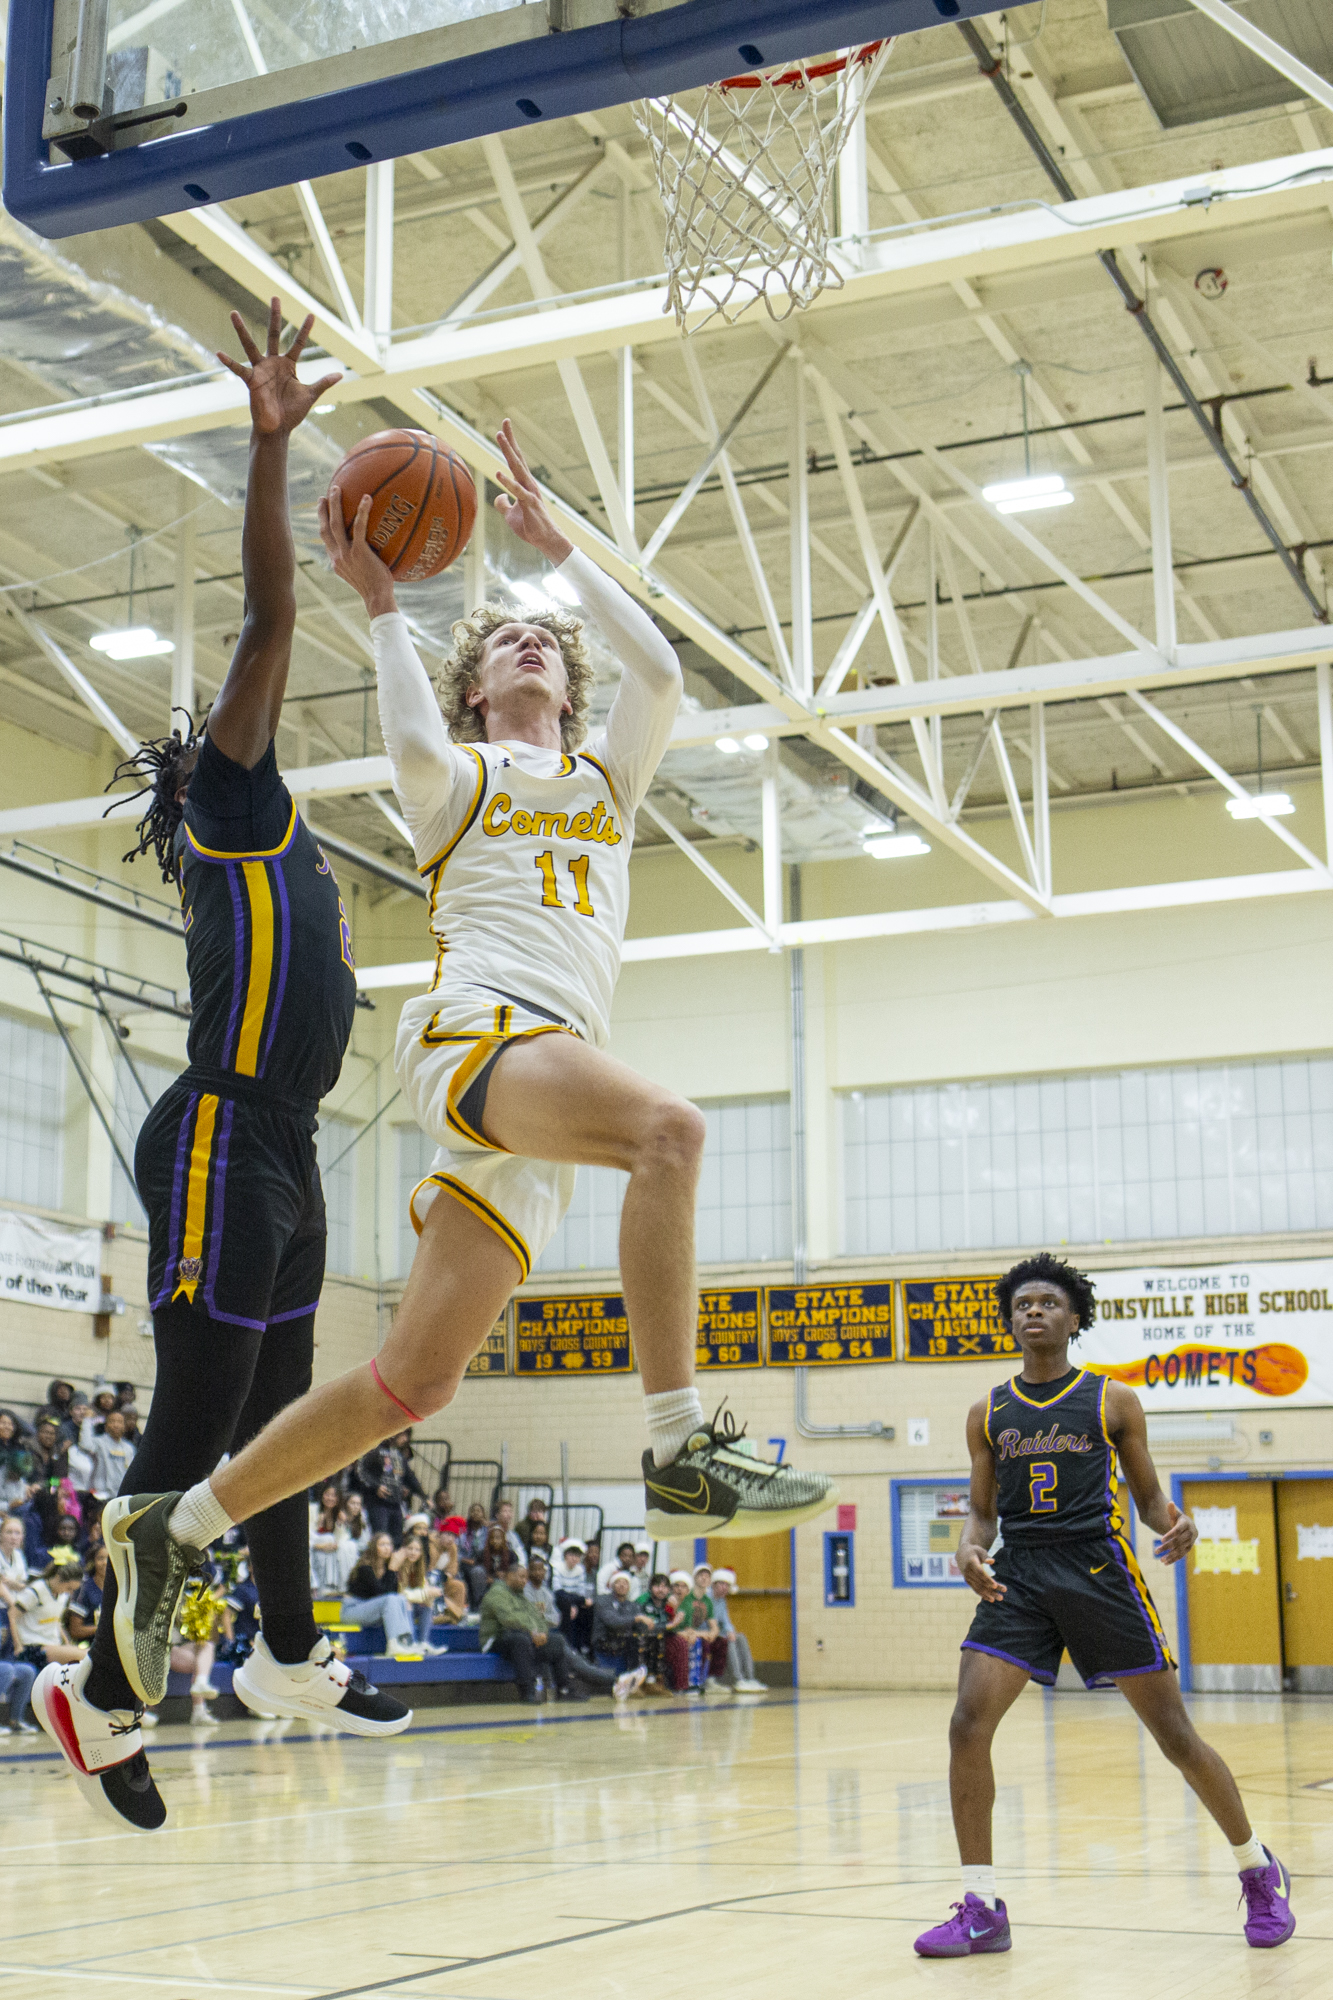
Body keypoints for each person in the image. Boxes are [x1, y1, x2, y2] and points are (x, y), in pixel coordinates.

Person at [98, 423, 837, 1722]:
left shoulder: (607, 781)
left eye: (544, 637)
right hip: (478, 1037)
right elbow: (402, 731)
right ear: (475, 690)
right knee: (670, 1131)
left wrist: (566, 549)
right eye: (504, 641)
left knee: (410, 1384)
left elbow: (658, 672)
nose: (531, 642)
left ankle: (179, 1529)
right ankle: (675, 1444)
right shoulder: (456, 778)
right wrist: (384, 605)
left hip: (542, 1096)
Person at [33, 300, 410, 1834]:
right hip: (223, 1136)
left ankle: (291, 1655)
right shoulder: (233, 817)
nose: (242, 727)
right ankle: (93, 1688)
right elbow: (267, 624)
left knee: (284, 1430)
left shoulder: (302, 850)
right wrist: (270, 452)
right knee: (196, 1425)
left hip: (290, 1146)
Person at [913, 1251, 1294, 1960]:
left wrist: (1174, 1523)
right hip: (1020, 1574)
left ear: (1074, 1318)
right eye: (1021, 1303)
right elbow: (981, 1515)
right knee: (967, 1725)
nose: (1032, 1311)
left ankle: (1257, 1870)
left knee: (1175, 1737)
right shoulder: (986, 1412)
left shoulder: (1112, 1400)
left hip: (1096, 1567)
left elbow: (1149, 1501)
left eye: (1047, 1303)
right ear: (1009, 1320)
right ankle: (981, 1907)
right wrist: (967, 1550)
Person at [480, 1558, 643, 1704]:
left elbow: (537, 1618)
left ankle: (565, 1690)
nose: (525, 1581)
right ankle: (527, 1692)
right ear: (509, 1576)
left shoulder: (520, 1595)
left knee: (556, 1641)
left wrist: (542, 1632)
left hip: (522, 1636)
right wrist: (533, 1632)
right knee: (520, 1640)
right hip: (496, 1639)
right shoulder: (497, 1593)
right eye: (521, 1577)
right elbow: (509, 1619)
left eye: (525, 1577)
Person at [340, 1532, 419, 1657]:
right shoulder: (365, 1568)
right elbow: (381, 1594)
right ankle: (393, 1645)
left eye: (389, 1544)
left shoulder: (388, 1568)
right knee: (391, 1599)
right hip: (352, 1610)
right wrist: (393, 1569)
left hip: (371, 1610)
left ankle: (408, 1642)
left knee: (401, 1599)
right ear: (373, 1547)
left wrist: (392, 1570)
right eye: (382, 1544)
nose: (387, 1548)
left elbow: (391, 1594)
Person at [10, 1552, 84, 1667]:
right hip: (33, 1646)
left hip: (53, 1644)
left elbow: (56, 1622)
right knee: (82, 1656)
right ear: (58, 1578)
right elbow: (12, 1614)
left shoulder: (63, 1596)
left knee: (87, 1654)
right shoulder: (37, 1591)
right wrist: (18, 1645)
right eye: (69, 1588)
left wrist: (67, 1643)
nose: (70, 1592)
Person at [667, 1564, 729, 1695]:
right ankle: (693, 1681)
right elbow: (686, 1625)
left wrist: (712, 1633)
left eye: (707, 1576)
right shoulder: (686, 1598)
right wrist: (701, 1634)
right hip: (687, 1633)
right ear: (694, 1578)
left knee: (721, 1641)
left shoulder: (707, 1601)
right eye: (701, 1575)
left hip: (697, 1633)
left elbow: (714, 1625)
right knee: (701, 1644)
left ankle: (710, 1680)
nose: (704, 1578)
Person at [711, 1569, 766, 1693]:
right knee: (728, 1640)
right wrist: (726, 1633)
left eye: (727, 1585)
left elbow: (726, 1620)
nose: (724, 1588)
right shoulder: (708, 1598)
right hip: (709, 1632)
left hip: (719, 1632)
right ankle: (738, 1679)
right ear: (714, 1584)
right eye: (721, 1584)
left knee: (740, 1637)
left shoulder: (722, 1601)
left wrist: (731, 1631)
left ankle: (749, 1677)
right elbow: (708, 1621)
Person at [592, 1569, 643, 1673]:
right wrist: (636, 1618)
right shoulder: (602, 1600)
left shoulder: (632, 1606)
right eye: (618, 1582)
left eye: (625, 1583)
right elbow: (613, 1622)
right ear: (612, 1585)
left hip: (623, 1652)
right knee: (606, 1682)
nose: (622, 1585)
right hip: (604, 1649)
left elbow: (643, 1626)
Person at [396, 1534, 443, 1645]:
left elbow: (424, 1588)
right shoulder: (399, 1566)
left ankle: (423, 1642)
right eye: (410, 1548)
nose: (413, 1552)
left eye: (417, 1550)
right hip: (399, 1606)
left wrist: (431, 1592)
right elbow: (401, 1593)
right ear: (404, 1549)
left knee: (429, 1601)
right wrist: (425, 1593)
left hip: (414, 1604)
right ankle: (411, 1642)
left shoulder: (419, 1567)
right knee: (407, 1602)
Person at [633, 1572, 675, 1692]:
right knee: (652, 1639)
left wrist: (675, 1610)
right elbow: (641, 1626)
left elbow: (675, 1624)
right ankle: (642, 1681)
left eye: (665, 1587)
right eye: (657, 1586)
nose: (661, 1590)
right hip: (641, 1636)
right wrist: (666, 1626)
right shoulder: (642, 1600)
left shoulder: (669, 1604)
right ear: (650, 1587)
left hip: (662, 1635)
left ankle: (658, 1681)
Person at [553, 1538, 594, 1655]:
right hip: (559, 1599)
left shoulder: (580, 1570)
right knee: (566, 1604)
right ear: (565, 1555)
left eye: (577, 1556)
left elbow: (580, 1592)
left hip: (574, 1600)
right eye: (571, 1555)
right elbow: (557, 1590)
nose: (574, 1558)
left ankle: (584, 1645)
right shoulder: (557, 1567)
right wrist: (573, 1603)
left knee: (589, 1606)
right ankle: (567, 1645)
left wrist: (576, 1604)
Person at [87, 1408, 134, 1505]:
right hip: (101, 1495)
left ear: (124, 1426)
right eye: (112, 1421)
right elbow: (85, 1444)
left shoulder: (129, 1448)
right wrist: (87, 1421)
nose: (116, 1425)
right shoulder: (98, 1442)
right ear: (106, 1426)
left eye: (120, 1422)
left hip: (121, 1496)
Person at [309, 1483, 349, 1594]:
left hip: (329, 1550)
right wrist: (318, 1524)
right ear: (322, 1495)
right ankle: (322, 1586)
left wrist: (340, 1524)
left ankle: (337, 1586)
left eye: (333, 1495)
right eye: (327, 1494)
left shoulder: (339, 1514)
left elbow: (341, 1539)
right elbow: (307, 1535)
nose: (330, 1498)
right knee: (328, 1538)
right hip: (314, 1547)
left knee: (347, 1547)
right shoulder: (312, 1509)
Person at [66, 1546, 110, 1645]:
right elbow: (75, 1630)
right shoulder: (83, 1589)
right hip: (88, 1645)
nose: (105, 1562)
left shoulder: (120, 1588)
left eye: (109, 1558)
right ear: (93, 1562)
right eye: (100, 1558)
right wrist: (104, 1628)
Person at [523, 1554, 558, 1629]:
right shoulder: (524, 1590)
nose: (538, 1573)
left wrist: (543, 1617)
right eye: (534, 1570)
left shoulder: (547, 1592)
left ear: (544, 1571)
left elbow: (556, 1619)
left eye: (540, 1569)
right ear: (528, 1571)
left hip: (545, 1629)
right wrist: (546, 1618)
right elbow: (530, 1617)